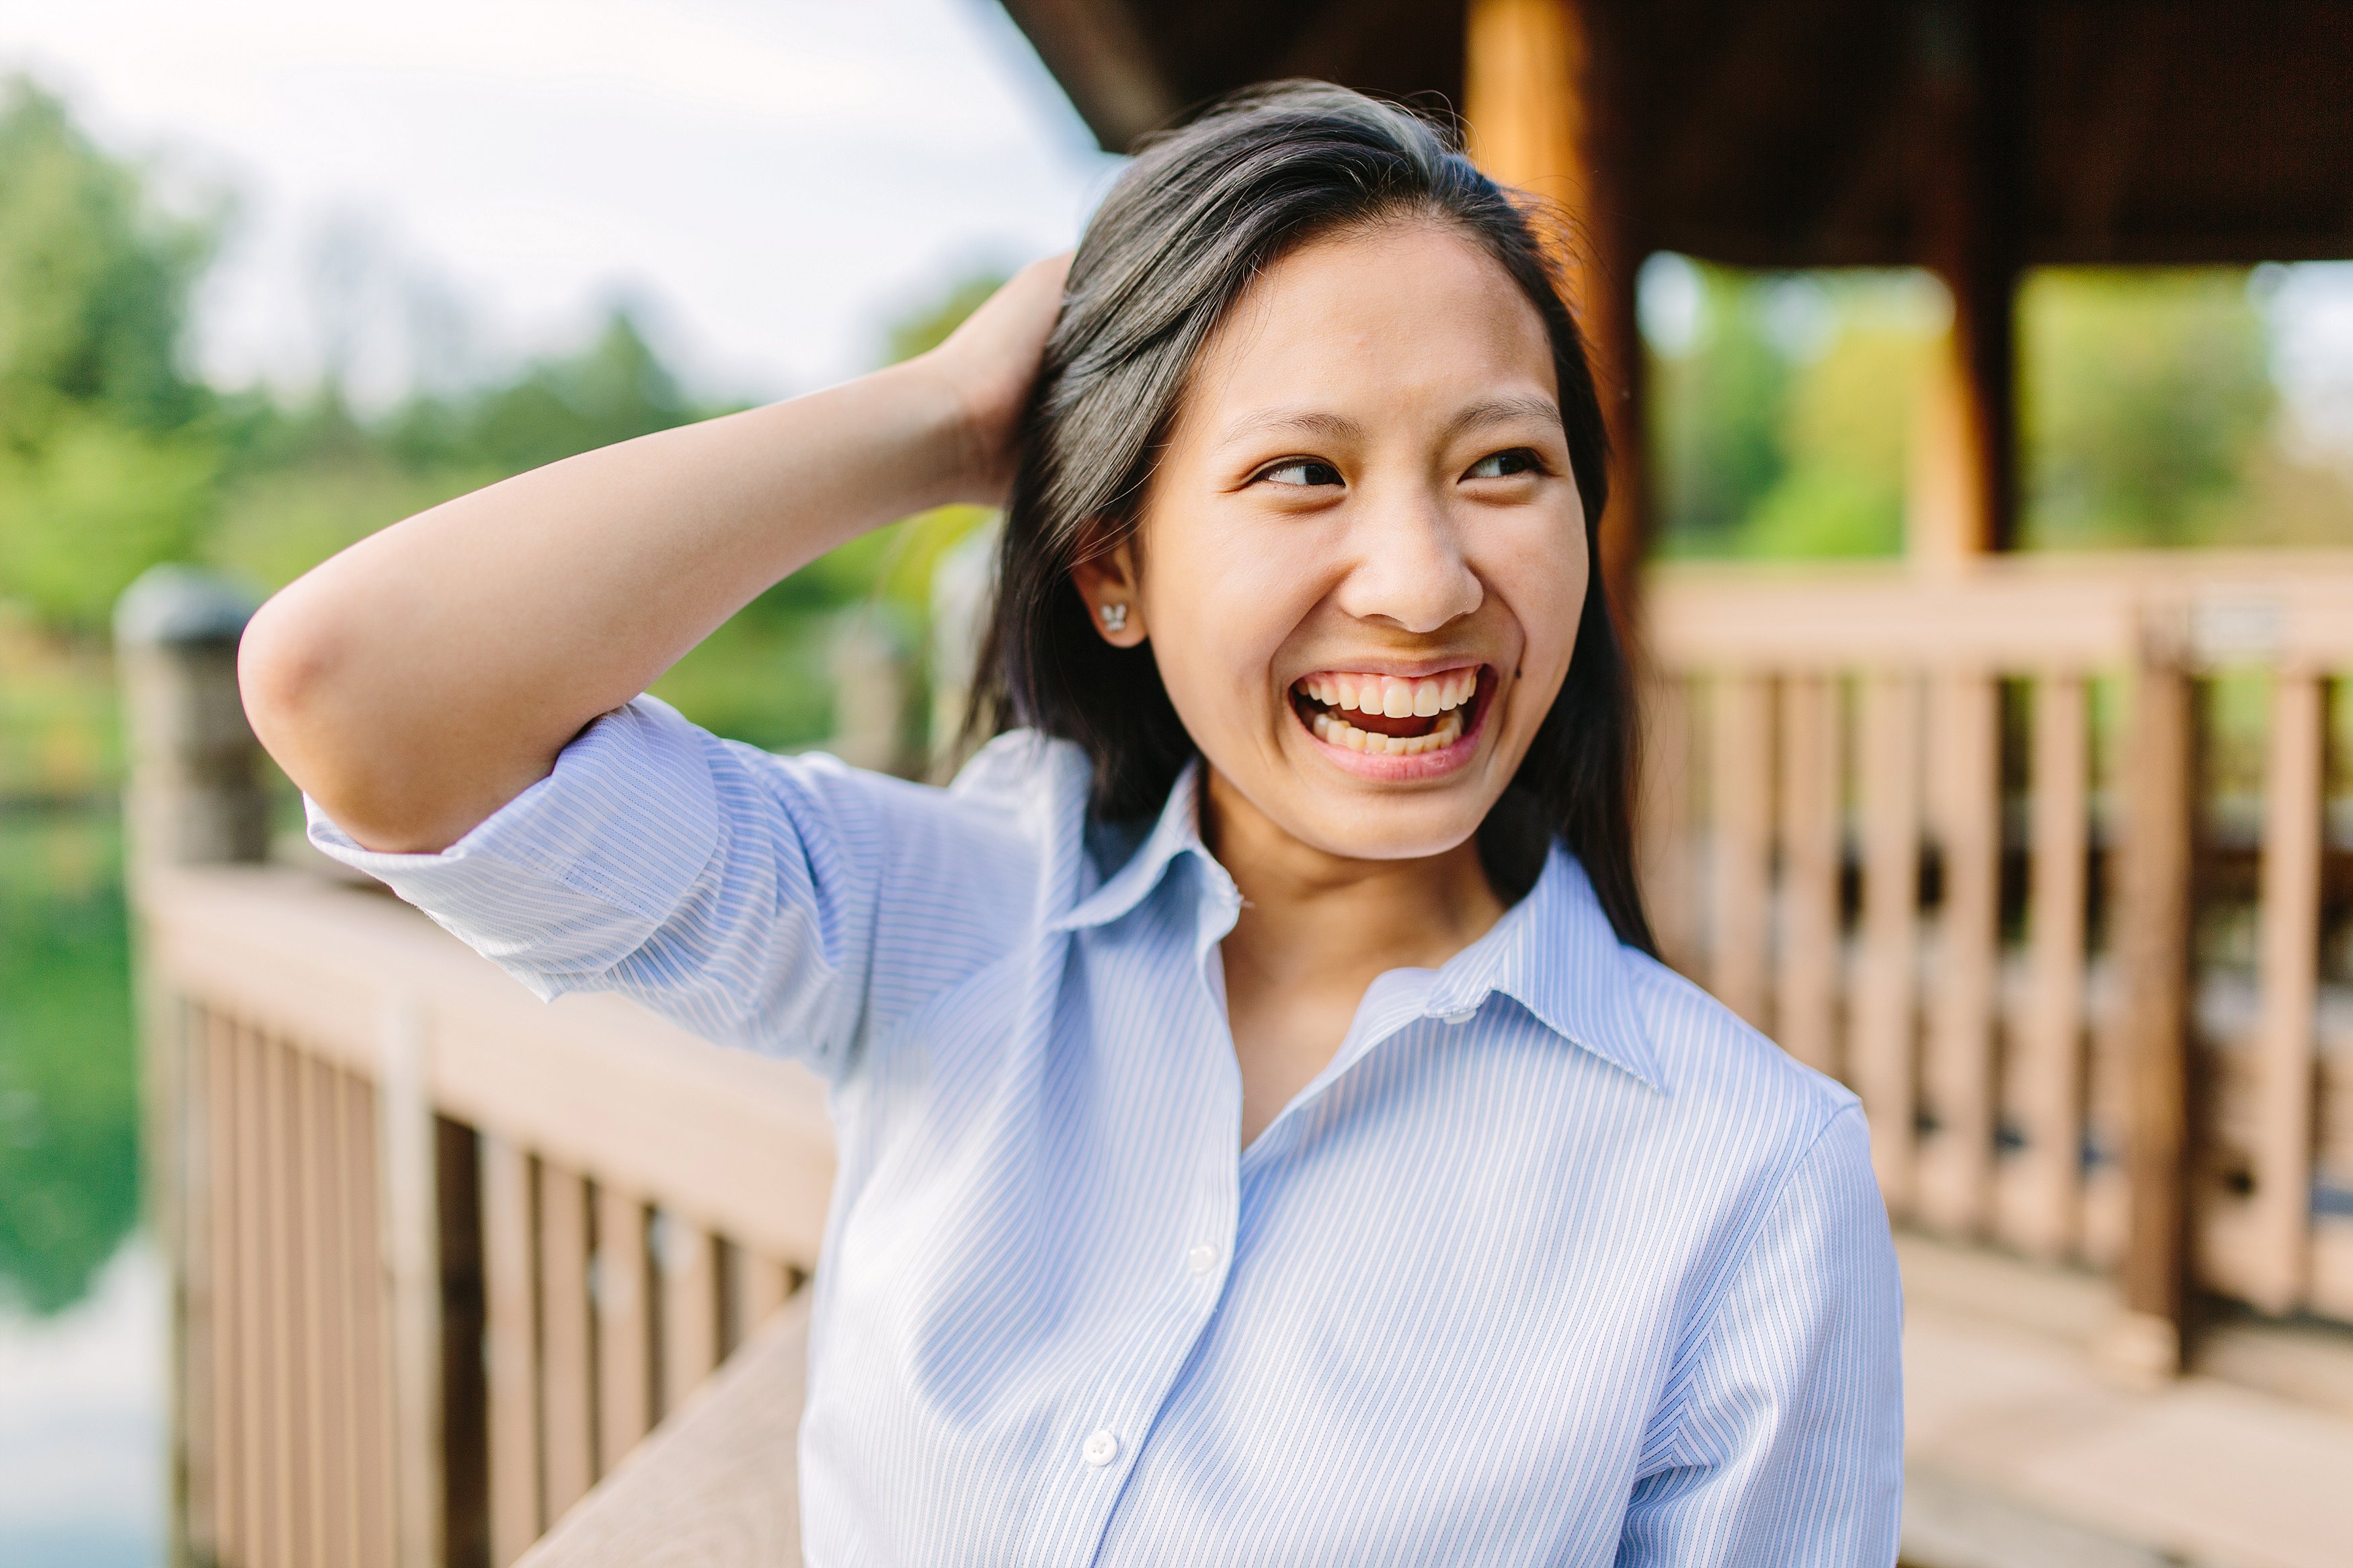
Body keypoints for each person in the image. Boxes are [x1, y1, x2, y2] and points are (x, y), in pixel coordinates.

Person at [241, 81, 1901, 1565]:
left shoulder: (1745, 1175)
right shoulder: (962, 912)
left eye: (1501, 467)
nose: (1420, 584)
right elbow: (357, 692)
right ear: (1111, 570)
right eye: (1302, 475)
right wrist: (951, 421)